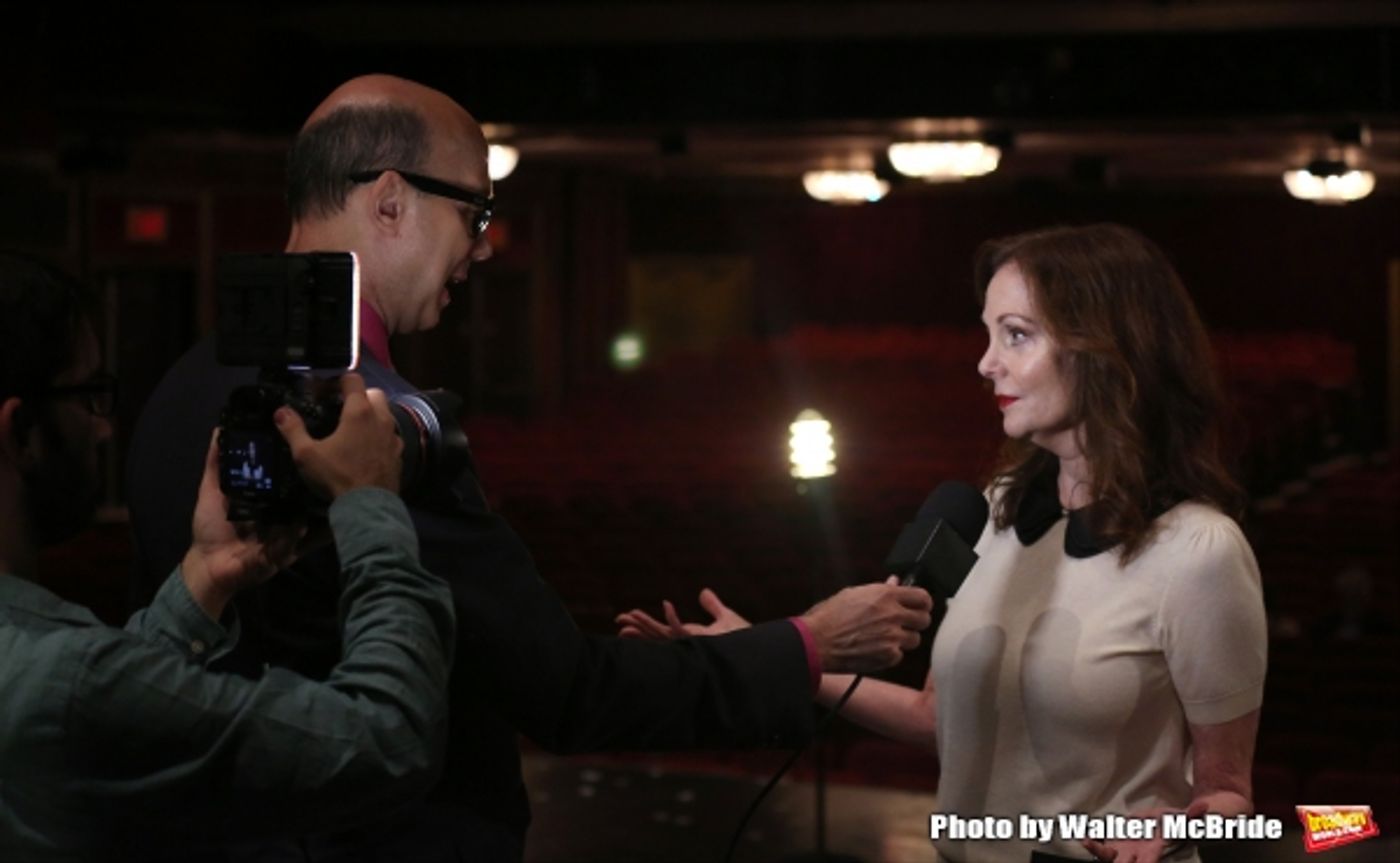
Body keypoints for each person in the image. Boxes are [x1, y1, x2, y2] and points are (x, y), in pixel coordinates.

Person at [125, 74, 934, 860]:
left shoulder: (181, 388)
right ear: (391, 201)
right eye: (474, 211)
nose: (480, 248)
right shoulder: (379, 428)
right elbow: (569, 693)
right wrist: (809, 640)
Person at [620, 224, 1268, 863]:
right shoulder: (998, 506)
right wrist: (774, 648)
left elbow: (1231, 797)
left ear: (1106, 347)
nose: (986, 362)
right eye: (989, 334)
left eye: (1015, 334)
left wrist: (1181, 830)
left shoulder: (1200, 550)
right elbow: (939, 716)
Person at [0, 253, 455, 859]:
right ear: (21, 431)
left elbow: (104, 726)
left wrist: (205, 577)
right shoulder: (69, 680)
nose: (104, 429)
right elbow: (387, 742)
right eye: (89, 397)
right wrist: (370, 500)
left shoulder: (43, 670)